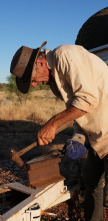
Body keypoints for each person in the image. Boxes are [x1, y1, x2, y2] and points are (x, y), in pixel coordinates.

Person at [10, 41, 108, 221]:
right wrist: (77, 137)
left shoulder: (64, 55)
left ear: (39, 63)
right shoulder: (56, 81)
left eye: (32, 79)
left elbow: (87, 99)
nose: (33, 85)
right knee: (92, 185)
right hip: (99, 139)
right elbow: (78, 112)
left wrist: (52, 124)